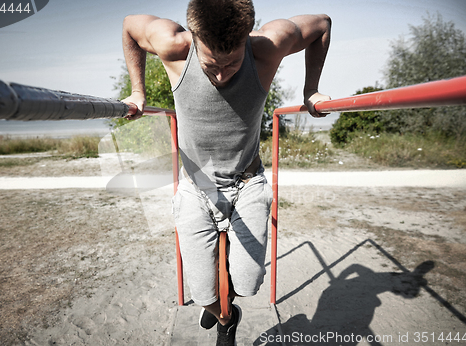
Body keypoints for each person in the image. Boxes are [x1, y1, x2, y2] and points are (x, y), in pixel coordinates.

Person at [121, 1, 331, 344]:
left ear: (247, 38)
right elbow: (130, 24)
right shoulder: (174, 45)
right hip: (195, 186)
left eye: (231, 62)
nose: (221, 74)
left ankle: (229, 301)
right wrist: (137, 91)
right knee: (203, 294)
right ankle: (223, 314)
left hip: (246, 182)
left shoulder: (269, 46)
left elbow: (321, 24)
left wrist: (311, 90)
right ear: (194, 39)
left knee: (248, 284)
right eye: (211, 64)